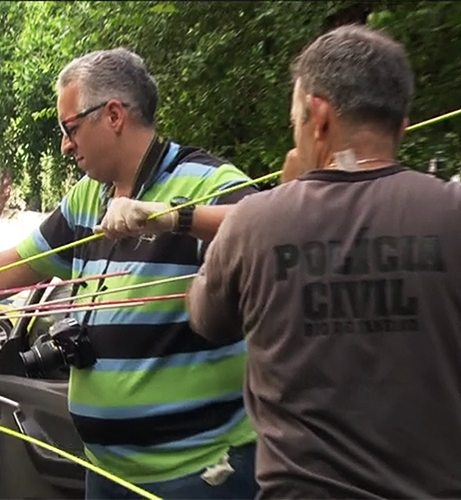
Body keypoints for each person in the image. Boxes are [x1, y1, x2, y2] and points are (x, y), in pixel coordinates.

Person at [0, 48, 260, 499]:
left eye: (70, 128)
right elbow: (18, 264)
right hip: (106, 473)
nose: (65, 144)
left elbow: (272, 228)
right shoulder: (88, 198)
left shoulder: (205, 182)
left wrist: (169, 218)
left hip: (200, 475)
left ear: (114, 115)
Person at [185, 25, 461, 498]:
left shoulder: (255, 221)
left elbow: (204, 317)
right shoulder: (451, 212)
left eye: (295, 118)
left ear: (318, 116)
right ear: (402, 123)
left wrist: (288, 195)